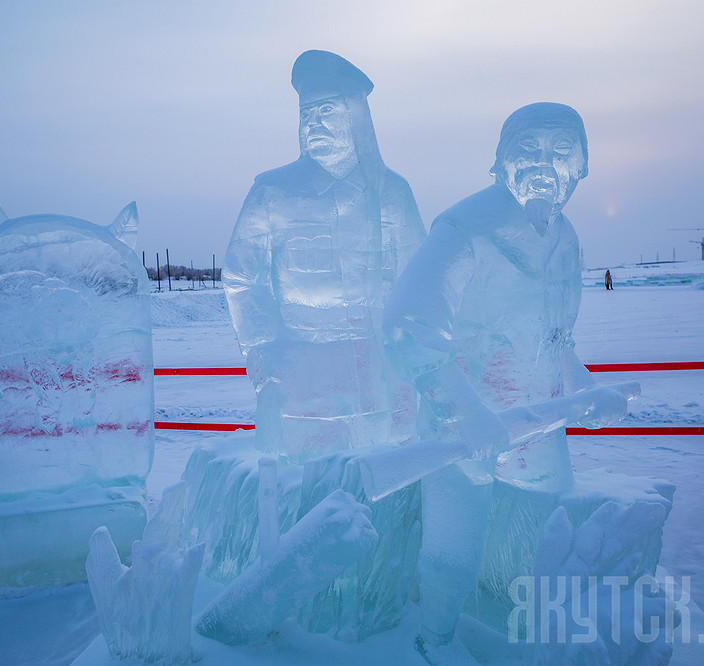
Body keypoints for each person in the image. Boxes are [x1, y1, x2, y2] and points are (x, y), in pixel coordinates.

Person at [383, 103, 627, 662]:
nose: (545, 164)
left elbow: (557, 339)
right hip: (463, 422)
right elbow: (407, 327)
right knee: (454, 545)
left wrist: (586, 389)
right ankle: (436, 639)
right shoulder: (464, 229)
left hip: (538, 423)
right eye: (529, 149)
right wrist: (466, 410)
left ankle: (529, 629)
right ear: (499, 161)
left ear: (582, 166)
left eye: (561, 152)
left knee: (550, 530)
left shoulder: (565, 240)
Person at [223, 50, 426, 463]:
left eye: (327, 110)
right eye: (306, 112)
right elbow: (243, 279)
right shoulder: (273, 193)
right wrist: (265, 352)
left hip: (380, 375)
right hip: (303, 376)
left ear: (356, 115)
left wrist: (411, 362)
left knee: (385, 490)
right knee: (309, 493)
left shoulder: (392, 194)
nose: (313, 122)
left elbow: (417, 283)